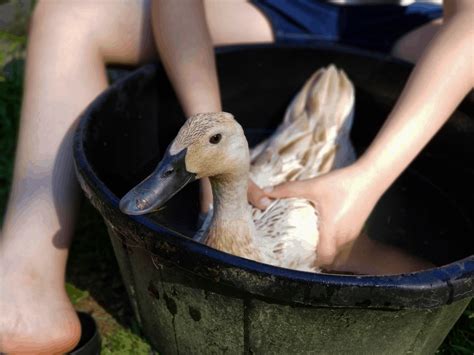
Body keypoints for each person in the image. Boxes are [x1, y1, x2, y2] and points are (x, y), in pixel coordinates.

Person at [0, 0, 471, 353]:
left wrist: (366, 180)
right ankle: (25, 287)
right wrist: (207, 130)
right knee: (73, 12)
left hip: (420, 26)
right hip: (267, 9)